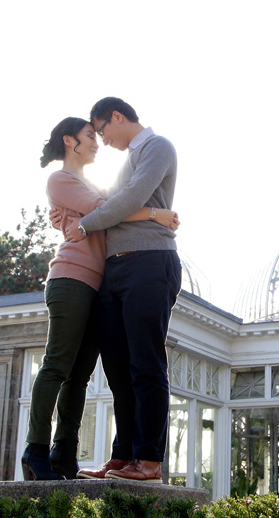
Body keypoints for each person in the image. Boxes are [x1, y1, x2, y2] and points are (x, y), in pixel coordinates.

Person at [21, 116, 179, 481]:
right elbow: (108, 208)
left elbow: (112, 206)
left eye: (98, 133)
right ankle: (36, 449)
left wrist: (111, 207)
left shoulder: (90, 184)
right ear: (69, 141)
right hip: (72, 276)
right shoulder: (60, 179)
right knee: (58, 365)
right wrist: (156, 212)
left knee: (79, 376)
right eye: (90, 136)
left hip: (100, 283)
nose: (97, 142)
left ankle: (65, 453)